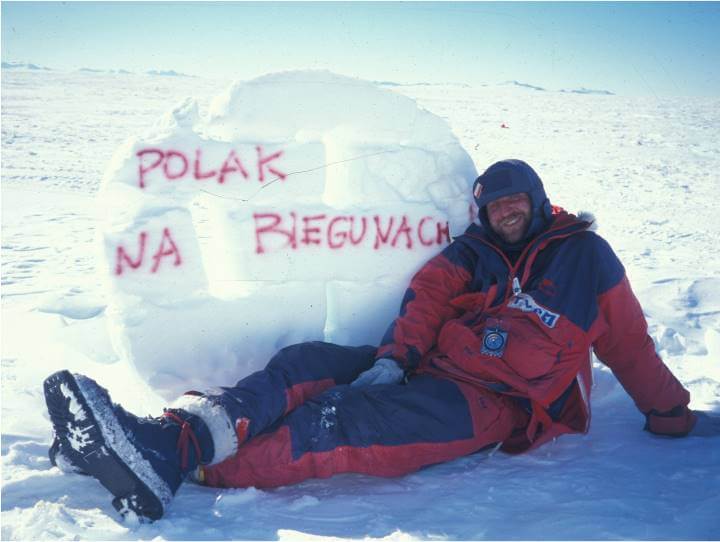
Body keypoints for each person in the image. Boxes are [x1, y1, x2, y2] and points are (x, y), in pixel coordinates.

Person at [44, 159, 719, 521]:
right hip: (423, 365)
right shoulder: (476, 250)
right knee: (306, 362)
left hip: (492, 403)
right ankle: (164, 441)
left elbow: (629, 346)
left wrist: (670, 416)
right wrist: (395, 357)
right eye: (494, 205)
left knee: (334, 424)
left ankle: (181, 467)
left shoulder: (586, 260)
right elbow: (427, 297)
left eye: (516, 202)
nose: (505, 213)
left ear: (539, 202)